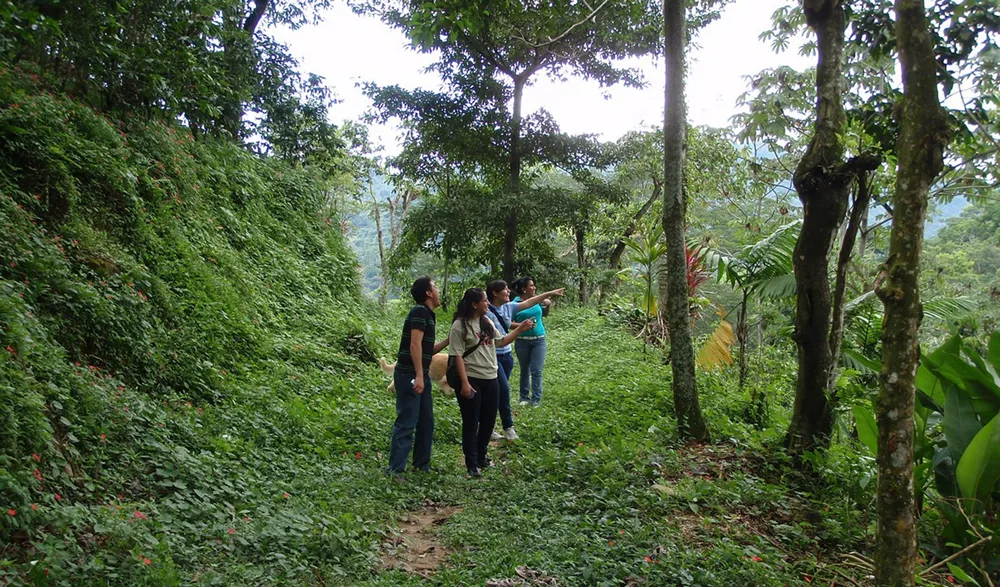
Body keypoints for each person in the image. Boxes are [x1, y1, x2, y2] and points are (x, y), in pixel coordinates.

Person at [449, 288, 535, 477]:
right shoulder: (460, 326)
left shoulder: (486, 322)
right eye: (485, 301)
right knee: (471, 422)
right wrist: (464, 382)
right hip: (472, 378)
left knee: (488, 422)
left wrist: (520, 329)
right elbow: (456, 356)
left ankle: (481, 456)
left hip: (491, 377)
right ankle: (471, 465)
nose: (487, 303)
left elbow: (502, 342)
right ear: (474, 304)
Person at [485, 280, 564, 440]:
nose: (508, 291)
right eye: (505, 289)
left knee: (497, 392)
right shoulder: (486, 312)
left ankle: (489, 427)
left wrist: (549, 293)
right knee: (504, 391)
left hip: (507, 355)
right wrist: (521, 327)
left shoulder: (509, 307)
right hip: (492, 356)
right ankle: (508, 427)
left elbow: (530, 302)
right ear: (495, 293)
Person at [386, 277, 449, 478]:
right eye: (435, 286)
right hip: (409, 374)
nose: (438, 290)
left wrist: (450, 340)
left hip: (418, 374)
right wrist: (420, 375)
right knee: (407, 421)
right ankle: (395, 470)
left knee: (426, 421)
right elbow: (415, 345)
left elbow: (426, 349)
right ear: (429, 293)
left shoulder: (428, 315)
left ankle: (422, 464)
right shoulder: (420, 312)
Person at [511, 276, 560, 406]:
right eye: (531, 286)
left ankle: (536, 399)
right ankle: (523, 397)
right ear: (524, 289)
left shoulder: (537, 301)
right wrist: (522, 326)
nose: (534, 288)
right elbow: (508, 323)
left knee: (536, 370)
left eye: (534, 285)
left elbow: (543, 314)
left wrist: (548, 306)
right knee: (524, 370)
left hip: (539, 340)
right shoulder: (514, 304)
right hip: (522, 341)